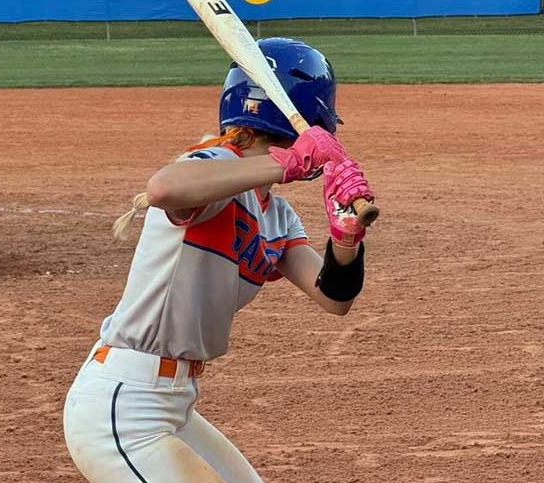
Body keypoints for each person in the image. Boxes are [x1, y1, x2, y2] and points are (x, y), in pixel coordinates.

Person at [62, 38, 375, 483]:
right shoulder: (213, 164)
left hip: (172, 404)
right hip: (123, 405)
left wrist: (347, 238)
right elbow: (164, 189)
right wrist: (285, 163)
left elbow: (333, 297)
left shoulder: (277, 216)